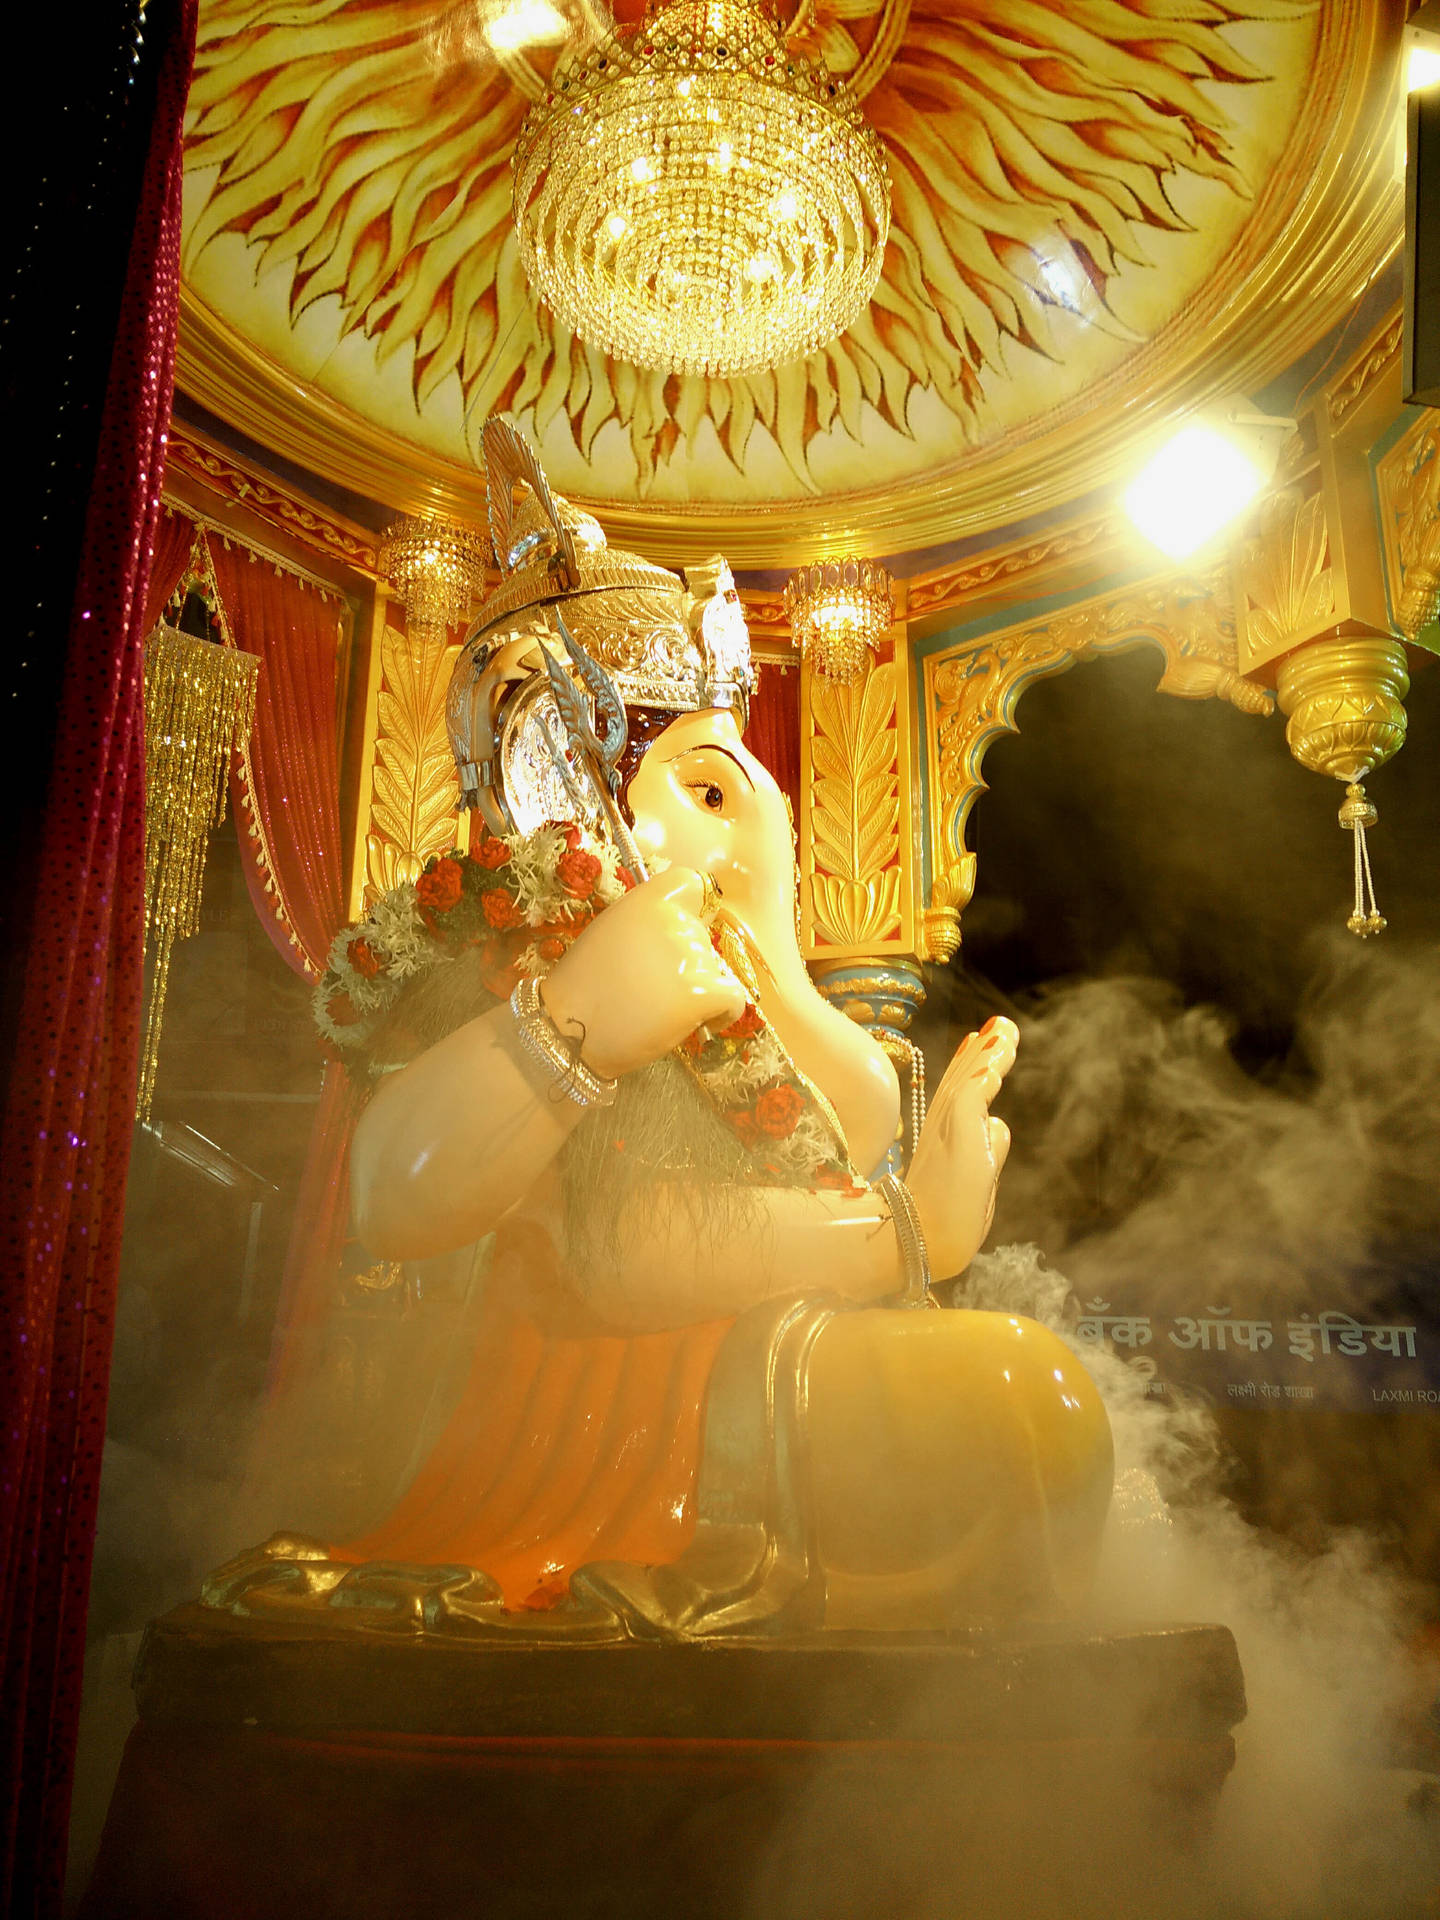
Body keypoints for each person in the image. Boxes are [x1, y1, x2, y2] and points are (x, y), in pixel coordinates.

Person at [207, 421, 1112, 1633]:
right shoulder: (500, 940)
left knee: (1029, 1410)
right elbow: (550, 1234)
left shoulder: (716, 959)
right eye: (707, 792)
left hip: (742, 1361)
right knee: (1019, 1399)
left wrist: (783, 962)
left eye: (758, 802)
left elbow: (831, 1134)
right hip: (579, 1404)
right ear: (552, 766)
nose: (751, 838)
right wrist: (576, 1023)